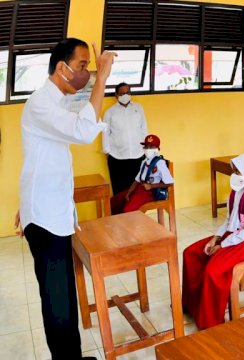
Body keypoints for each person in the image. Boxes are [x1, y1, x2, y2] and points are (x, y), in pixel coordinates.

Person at [15, 38, 115, 360]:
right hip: (45, 219)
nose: (87, 72)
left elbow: (39, 157)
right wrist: (102, 80)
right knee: (57, 299)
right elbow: (85, 132)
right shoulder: (41, 103)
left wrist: (26, 200)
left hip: (48, 212)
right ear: (63, 67)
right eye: (83, 65)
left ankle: (71, 355)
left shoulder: (55, 102)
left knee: (63, 295)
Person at [182, 153, 244, 329]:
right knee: (191, 253)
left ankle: (210, 321)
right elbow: (229, 220)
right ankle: (193, 304)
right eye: (234, 170)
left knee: (213, 271)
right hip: (231, 235)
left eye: (238, 171)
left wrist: (222, 245)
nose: (234, 175)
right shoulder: (238, 190)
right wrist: (216, 237)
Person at [102, 82, 149, 194]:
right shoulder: (110, 112)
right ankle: (121, 212)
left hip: (138, 156)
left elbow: (144, 128)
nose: (125, 95)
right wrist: (107, 151)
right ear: (116, 95)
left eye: (127, 92)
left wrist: (147, 149)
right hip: (117, 158)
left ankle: (137, 212)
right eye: (122, 93)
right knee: (120, 191)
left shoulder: (138, 108)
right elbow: (105, 132)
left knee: (137, 191)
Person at [110, 134, 173, 215]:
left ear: (157, 149)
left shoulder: (160, 163)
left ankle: (132, 226)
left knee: (128, 210)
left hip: (150, 193)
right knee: (114, 201)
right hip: (140, 188)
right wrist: (129, 192)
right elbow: (137, 180)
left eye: (151, 147)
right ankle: (118, 224)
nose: (147, 149)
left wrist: (151, 186)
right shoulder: (144, 162)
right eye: (146, 147)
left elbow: (170, 182)